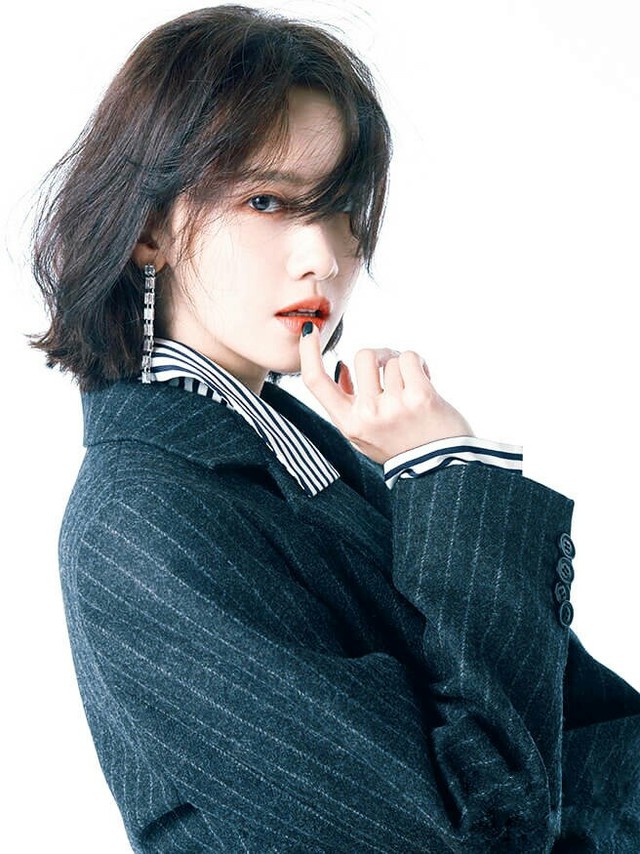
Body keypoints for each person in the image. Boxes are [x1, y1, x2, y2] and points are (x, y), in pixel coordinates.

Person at [30, 5, 640, 852]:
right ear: (148, 229)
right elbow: (460, 836)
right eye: (268, 201)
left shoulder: (302, 455)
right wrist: (445, 472)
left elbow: (584, 742)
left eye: (341, 207)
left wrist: (428, 477)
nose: (323, 254)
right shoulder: (140, 518)